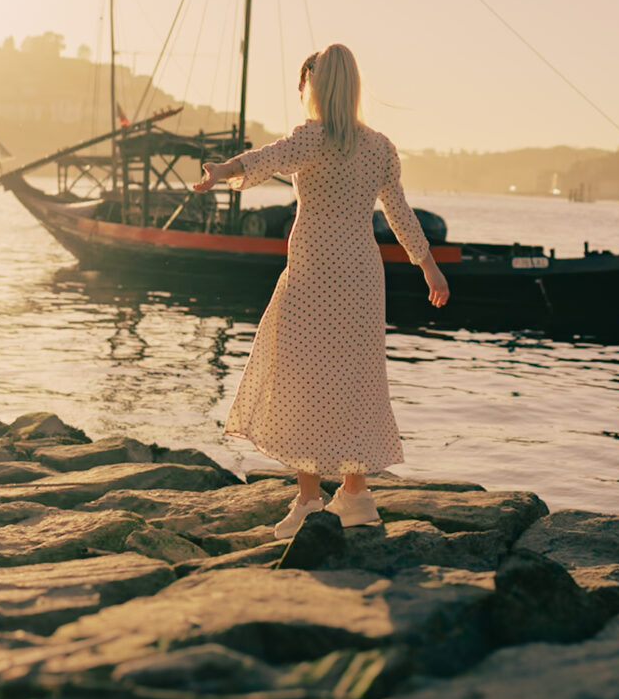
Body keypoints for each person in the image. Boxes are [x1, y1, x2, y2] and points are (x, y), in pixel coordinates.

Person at [193, 44, 450, 539]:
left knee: (296, 373)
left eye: (303, 81)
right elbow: (399, 213)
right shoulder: (378, 147)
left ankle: (310, 499)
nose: (301, 91)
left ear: (316, 84)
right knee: (357, 375)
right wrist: (430, 268)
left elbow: (263, 160)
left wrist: (222, 172)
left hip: (313, 271)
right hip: (360, 274)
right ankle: (356, 495)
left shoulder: (311, 138)